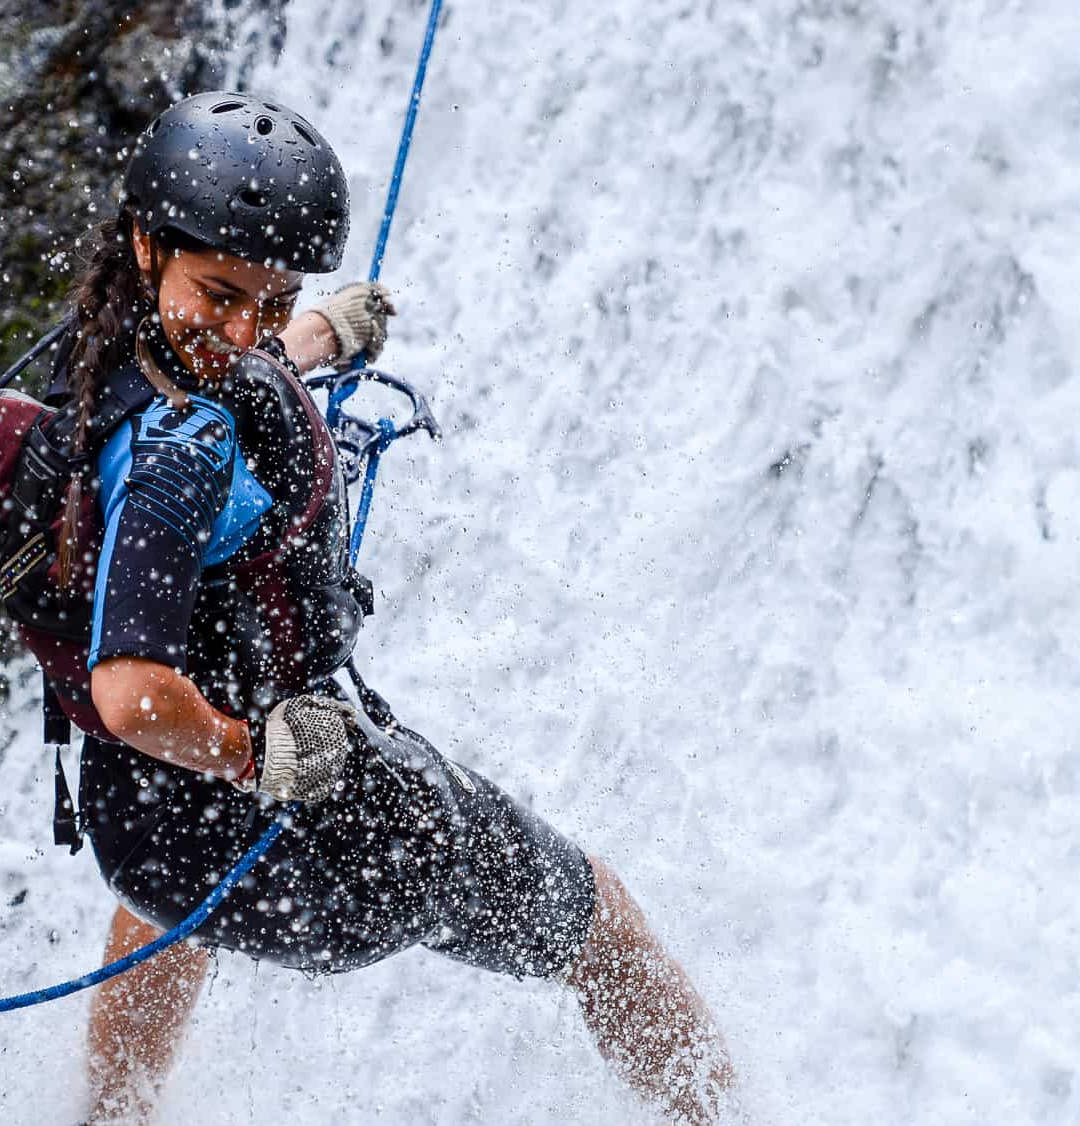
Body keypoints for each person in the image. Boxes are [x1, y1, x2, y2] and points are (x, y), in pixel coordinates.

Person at [50, 92, 734, 1124]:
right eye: (226, 294)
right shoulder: (175, 459)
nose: (244, 333)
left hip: (144, 818)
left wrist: (318, 337)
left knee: (159, 911)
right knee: (599, 921)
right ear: (149, 245)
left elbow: (218, 367)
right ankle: (721, 1114)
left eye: (273, 302)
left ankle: (106, 1116)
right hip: (334, 845)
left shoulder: (107, 349)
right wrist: (252, 753)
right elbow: (132, 691)